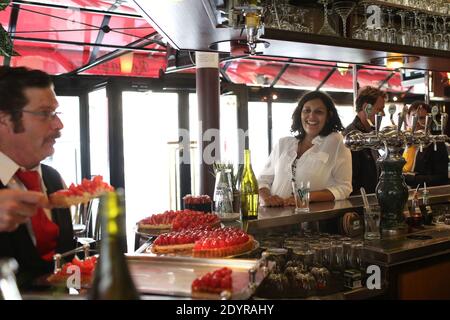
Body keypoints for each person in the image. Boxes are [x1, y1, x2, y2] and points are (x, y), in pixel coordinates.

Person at [0, 66, 74, 287]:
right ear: (4, 120)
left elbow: (66, 260)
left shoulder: (53, 179)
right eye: (45, 113)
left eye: (56, 113)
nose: (59, 125)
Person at [258, 91, 352, 207]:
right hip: (274, 217)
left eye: (319, 112)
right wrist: (267, 198)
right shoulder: (283, 143)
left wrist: (304, 197)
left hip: (312, 219)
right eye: (307, 110)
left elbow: (344, 188)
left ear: (329, 116)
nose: (311, 116)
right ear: (300, 114)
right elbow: (262, 181)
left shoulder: (336, 142)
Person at [342, 86, 386, 195]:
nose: (383, 114)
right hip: (357, 205)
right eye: (379, 109)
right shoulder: (352, 136)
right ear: (367, 108)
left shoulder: (370, 133)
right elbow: (350, 181)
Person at [403, 101, 449, 187]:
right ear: (407, 118)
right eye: (413, 117)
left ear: (429, 120)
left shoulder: (436, 143)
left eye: (421, 118)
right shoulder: (402, 141)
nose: (416, 121)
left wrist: (411, 178)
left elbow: (441, 178)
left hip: (422, 194)